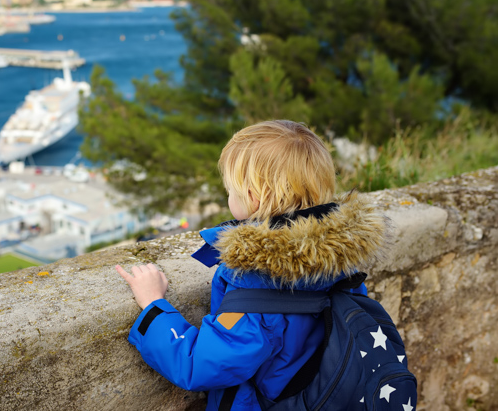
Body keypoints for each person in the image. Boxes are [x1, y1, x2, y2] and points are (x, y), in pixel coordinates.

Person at [116, 120, 390, 410]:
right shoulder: (341, 257)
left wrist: (153, 306)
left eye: (230, 190)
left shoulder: (259, 286)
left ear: (252, 197)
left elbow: (200, 365)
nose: (228, 195)